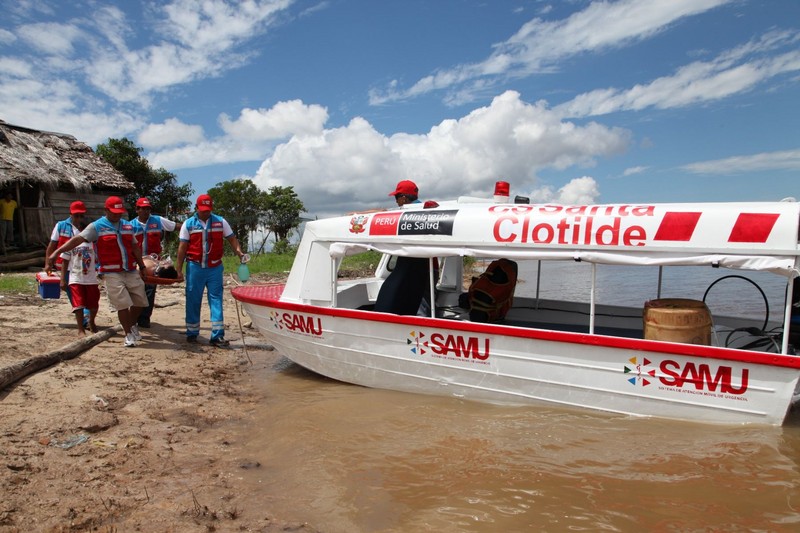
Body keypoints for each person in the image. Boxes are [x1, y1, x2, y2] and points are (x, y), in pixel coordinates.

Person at [48, 196, 148, 348]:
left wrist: (142, 266)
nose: (117, 215)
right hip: (111, 271)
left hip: (130, 269)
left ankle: (132, 325)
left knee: (140, 301)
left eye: (119, 212)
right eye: (114, 212)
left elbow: (134, 247)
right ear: (106, 210)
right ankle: (128, 335)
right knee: (122, 304)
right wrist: (57, 252)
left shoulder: (127, 226)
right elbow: (77, 240)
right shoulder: (96, 226)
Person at [175, 193, 244, 346]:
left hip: (215, 268)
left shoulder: (221, 222)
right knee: (193, 299)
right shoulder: (188, 224)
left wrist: (239, 252)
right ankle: (192, 332)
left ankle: (217, 335)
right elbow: (182, 247)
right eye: (203, 210)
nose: (205, 212)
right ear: (196, 208)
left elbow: (232, 238)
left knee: (216, 299)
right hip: (195, 267)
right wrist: (178, 269)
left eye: (208, 210)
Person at [130, 197, 177, 328]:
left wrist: (190, 230)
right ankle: (134, 318)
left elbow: (175, 227)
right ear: (137, 210)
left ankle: (144, 319)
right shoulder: (130, 226)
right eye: (143, 209)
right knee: (136, 290)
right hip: (136, 264)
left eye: (148, 209)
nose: (146, 211)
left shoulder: (158, 221)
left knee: (150, 291)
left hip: (154, 264)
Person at [59, 233, 100, 337]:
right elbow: (65, 261)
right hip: (76, 278)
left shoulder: (95, 245)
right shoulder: (71, 244)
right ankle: (80, 329)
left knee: (94, 305)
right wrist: (62, 279)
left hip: (91, 279)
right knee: (78, 305)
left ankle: (91, 321)